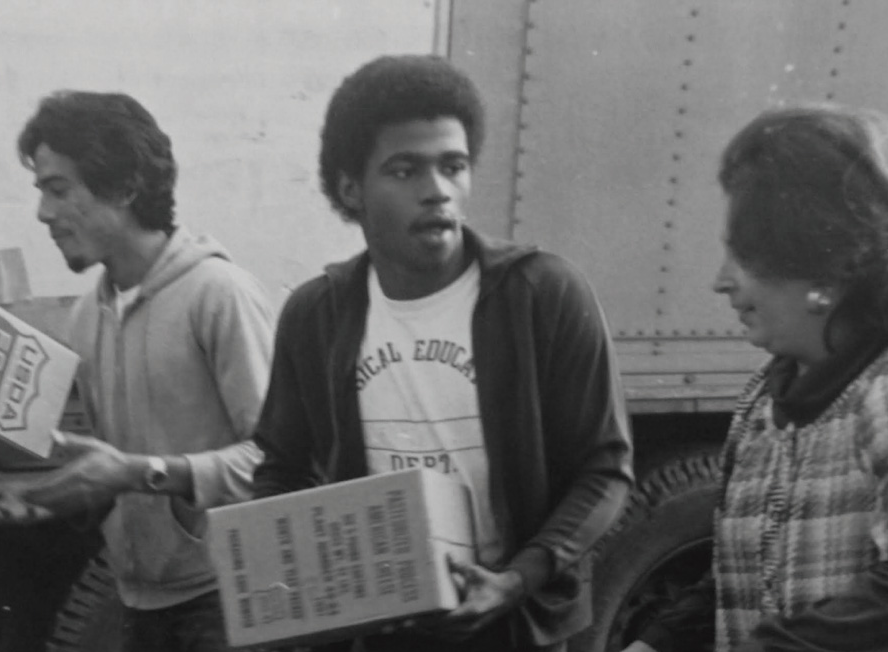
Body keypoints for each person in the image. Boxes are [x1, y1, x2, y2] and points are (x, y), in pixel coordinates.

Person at [249, 54, 634, 652]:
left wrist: (516, 578)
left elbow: (604, 470)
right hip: (382, 634)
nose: (437, 192)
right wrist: (290, 594)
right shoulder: (315, 316)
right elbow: (280, 470)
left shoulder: (543, 294)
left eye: (453, 166)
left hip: (518, 627)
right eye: (404, 170)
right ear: (350, 188)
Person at [625, 105, 888, 652]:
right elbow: (742, 575)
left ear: (816, 266)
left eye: (742, 256)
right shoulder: (766, 401)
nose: (721, 282)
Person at [0, 90, 275, 652]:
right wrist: (50, 487)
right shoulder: (85, 316)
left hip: (227, 599)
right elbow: (108, 466)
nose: (44, 214)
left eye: (58, 190)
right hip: (137, 601)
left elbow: (274, 463)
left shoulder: (218, 295)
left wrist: (139, 472)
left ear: (125, 187)